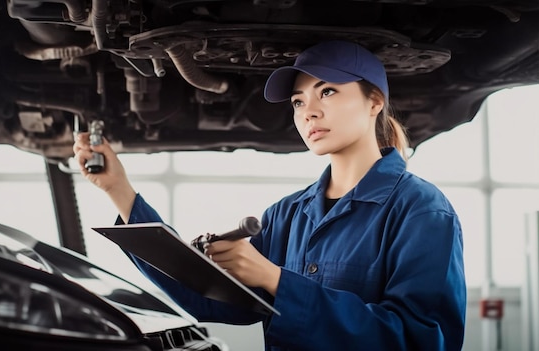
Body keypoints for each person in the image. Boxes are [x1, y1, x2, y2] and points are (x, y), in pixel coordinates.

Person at [73, 40, 466, 351]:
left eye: (326, 91)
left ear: (374, 101)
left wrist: (275, 278)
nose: (308, 112)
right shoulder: (287, 214)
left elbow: (423, 341)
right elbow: (213, 302)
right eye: (298, 101)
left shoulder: (421, 211)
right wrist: (119, 190)